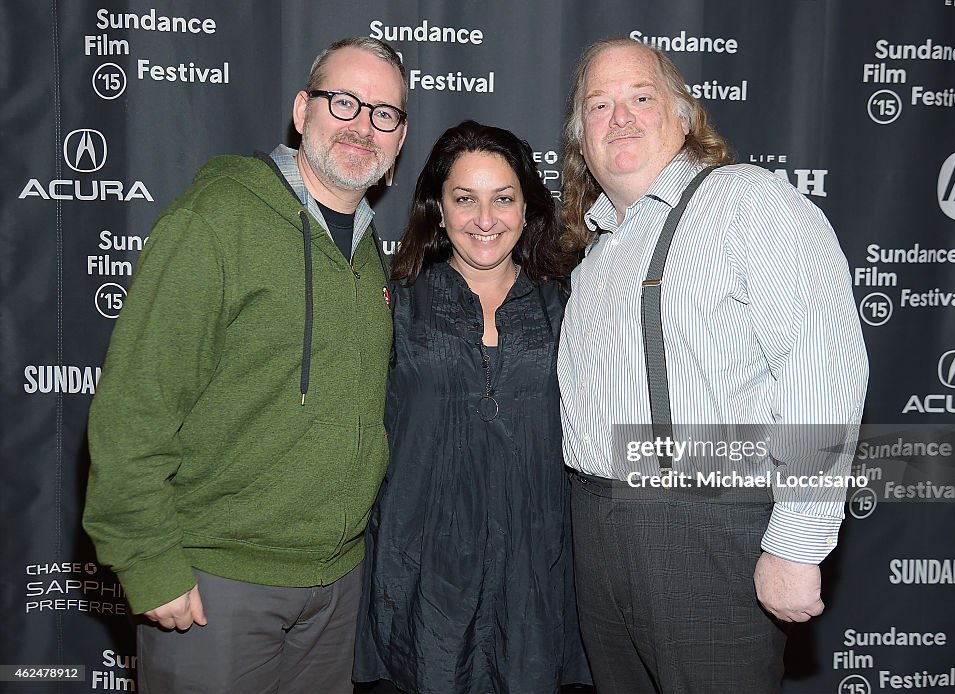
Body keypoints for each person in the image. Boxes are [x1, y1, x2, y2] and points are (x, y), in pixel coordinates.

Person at [82, 36, 408, 693]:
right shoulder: (217, 219)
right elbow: (132, 412)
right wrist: (150, 563)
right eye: (343, 100)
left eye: (384, 113)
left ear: (399, 140)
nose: (361, 124)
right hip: (216, 586)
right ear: (301, 109)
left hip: (335, 587)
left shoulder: (370, 253)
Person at [557, 37, 869, 693]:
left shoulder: (745, 202)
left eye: (641, 97)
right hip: (597, 527)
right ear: (580, 140)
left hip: (703, 528)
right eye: (600, 105)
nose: (621, 117)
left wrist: (796, 539)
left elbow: (821, 365)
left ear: (682, 115)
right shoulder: (593, 257)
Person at [353, 120, 591, 693]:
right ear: (438, 208)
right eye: (465, 200)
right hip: (419, 575)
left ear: (528, 207)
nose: (485, 220)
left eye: (503, 199)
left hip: (535, 576)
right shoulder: (395, 301)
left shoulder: (570, 303)